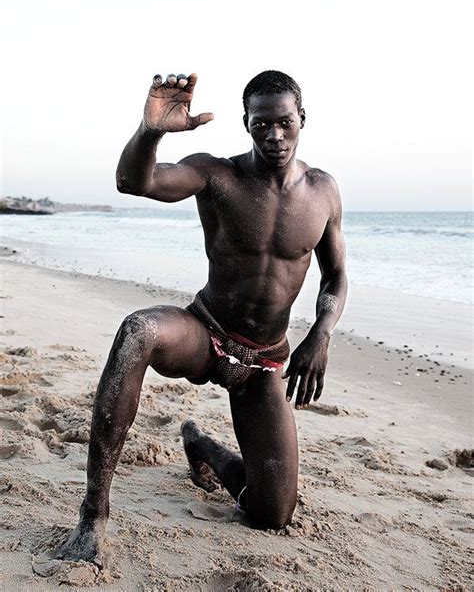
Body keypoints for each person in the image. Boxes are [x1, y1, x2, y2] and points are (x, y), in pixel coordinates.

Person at [55, 70, 347, 567]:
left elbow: (335, 277)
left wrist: (321, 333)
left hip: (265, 360)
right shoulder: (218, 175)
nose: (273, 136)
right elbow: (133, 182)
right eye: (261, 125)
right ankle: (93, 513)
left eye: (284, 123)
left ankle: (204, 449)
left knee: (272, 513)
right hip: (205, 331)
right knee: (138, 330)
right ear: (246, 124)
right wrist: (152, 131)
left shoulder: (323, 192)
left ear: (302, 119)